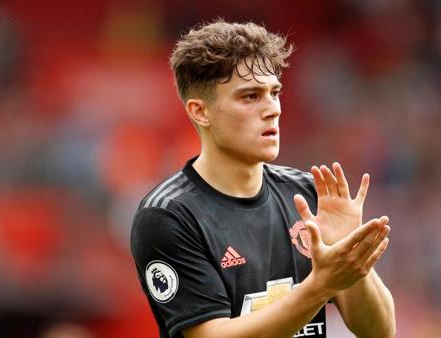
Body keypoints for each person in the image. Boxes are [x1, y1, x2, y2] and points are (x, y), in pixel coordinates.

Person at [130, 19, 396, 338]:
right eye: (250, 97)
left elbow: (379, 332)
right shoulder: (169, 216)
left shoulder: (309, 196)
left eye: (274, 93)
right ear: (201, 112)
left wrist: (351, 258)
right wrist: (319, 285)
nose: (272, 109)